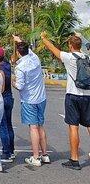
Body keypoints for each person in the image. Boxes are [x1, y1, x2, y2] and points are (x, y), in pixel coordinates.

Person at [41, 32, 90, 170]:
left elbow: (52, 48)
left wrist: (44, 38)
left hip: (73, 95)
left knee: (73, 127)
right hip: (88, 94)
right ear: (80, 45)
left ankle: (74, 159)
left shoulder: (68, 57)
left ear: (70, 45)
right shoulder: (87, 57)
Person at [13, 36, 50, 167]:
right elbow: (27, 49)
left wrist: (14, 83)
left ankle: (35, 157)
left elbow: (20, 86)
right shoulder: (35, 58)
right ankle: (45, 155)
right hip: (41, 97)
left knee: (33, 128)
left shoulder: (20, 67)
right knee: (40, 125)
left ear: (18, 52)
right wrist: (19, 39)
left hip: (29, 99)